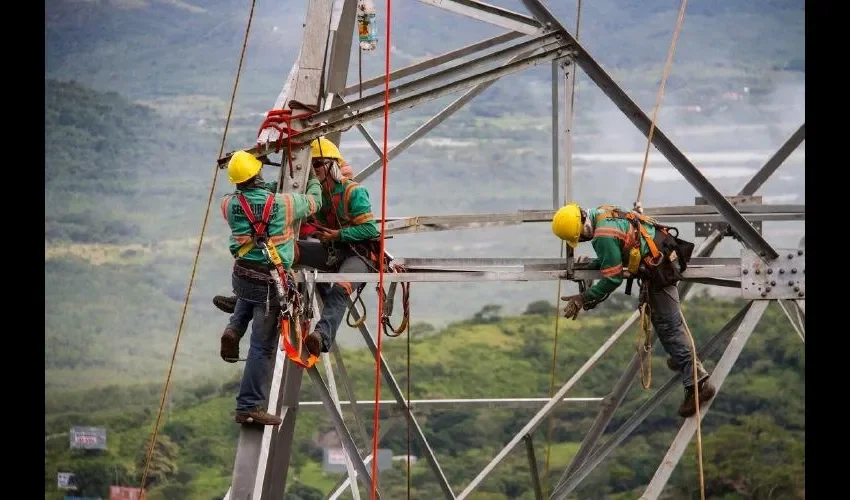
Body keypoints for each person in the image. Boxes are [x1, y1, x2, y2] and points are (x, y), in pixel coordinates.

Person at [213, 138, 380, 359]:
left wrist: (339, 234)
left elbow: (370, 230)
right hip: (331, 250)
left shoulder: (352, 192)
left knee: (340, 288)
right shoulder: (316, 191)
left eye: (318, 164)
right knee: (283, 253)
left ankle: (321, 336)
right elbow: (279, 200)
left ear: (332, 165)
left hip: (359, 253)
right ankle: (244, 297)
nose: (314, 169)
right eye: (311, 164)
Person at [551, 202, 716, 418]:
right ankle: (682, 357)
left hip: (660, 269)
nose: (582, 240)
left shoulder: (602, 236)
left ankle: (698, 382)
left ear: (581, 227)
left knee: (669, 327)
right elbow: (615, 255)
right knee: (663, 322)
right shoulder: (604, 213)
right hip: (661, 258)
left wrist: (584, 298)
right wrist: (592, 265)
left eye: (580, 237)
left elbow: (614, 278)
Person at [218, 150, 322, 425]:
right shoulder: (284, 205)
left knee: (246, 295)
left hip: (242, 276)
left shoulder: (228, 205)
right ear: (257, 174)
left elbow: (246, 200)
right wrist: (311, 177)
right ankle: (249, 406)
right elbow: (314, 202)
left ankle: (234, 328)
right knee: (261, 347)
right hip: (270, 283)